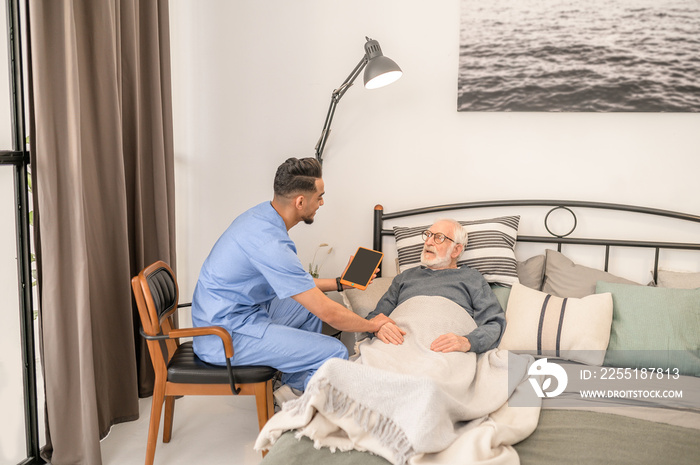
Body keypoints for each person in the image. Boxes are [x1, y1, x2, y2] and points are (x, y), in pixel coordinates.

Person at [191, 157, 397, 394]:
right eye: (319, 196)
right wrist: (372, 325)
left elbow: (298, 284)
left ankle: (293, 385)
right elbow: (328, 313)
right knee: (333, 351)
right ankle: (301, 405)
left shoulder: (262, 217)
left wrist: (340, 284)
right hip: (224, 336)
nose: (322, 202)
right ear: (300, 201)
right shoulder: (270, 243)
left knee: (304, 306)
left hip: (236, 314)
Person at [365, 219, 506, 353]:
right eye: (428, 235)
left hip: (442, 348)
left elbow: (494, 322)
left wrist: (467, 342)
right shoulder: (405, 277)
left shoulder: (472, 278)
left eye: (438, 237)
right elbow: (375, 317)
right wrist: (378, 327)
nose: (428, 242)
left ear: (456, 250)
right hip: (398, 343)